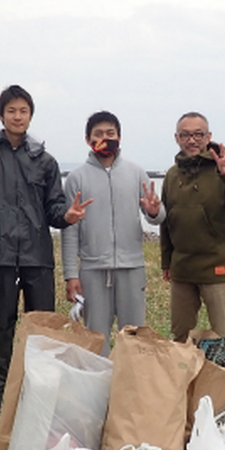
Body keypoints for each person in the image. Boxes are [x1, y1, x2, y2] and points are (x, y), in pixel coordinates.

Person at [0, 85, 91, 419]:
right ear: (1, 115)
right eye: (12, 111)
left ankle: (40, 393)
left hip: (37, 259)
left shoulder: (44, 161)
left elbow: (54, 209)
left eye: (24, 111)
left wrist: (67, 216)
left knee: (42, 328)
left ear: (31, 116)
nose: (18, 116)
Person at [61, 111, 164, 355]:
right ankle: (100, 390)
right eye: (98, 134)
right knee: (96, 339)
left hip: (132, 267)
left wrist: (154, 211)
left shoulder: (136, 173)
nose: (105, 138)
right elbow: (69, 231)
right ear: (88, 140)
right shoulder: (76, 178)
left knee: (134, 338)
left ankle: (132, 389)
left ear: (120, 137)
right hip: (93, 271)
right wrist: (70, 274)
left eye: (110, 133)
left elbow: (159, 217)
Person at [160, 111, 225, 349]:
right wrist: (167, 262)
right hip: (182, 269)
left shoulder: (223, 164)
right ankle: (184, 384)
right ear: (177, 138)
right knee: (180, 336)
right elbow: (167, 221)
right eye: (185, 135)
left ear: (208, 136)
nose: (191, 140)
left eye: (197, 134)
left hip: (216, 268)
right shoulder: (172, 175)